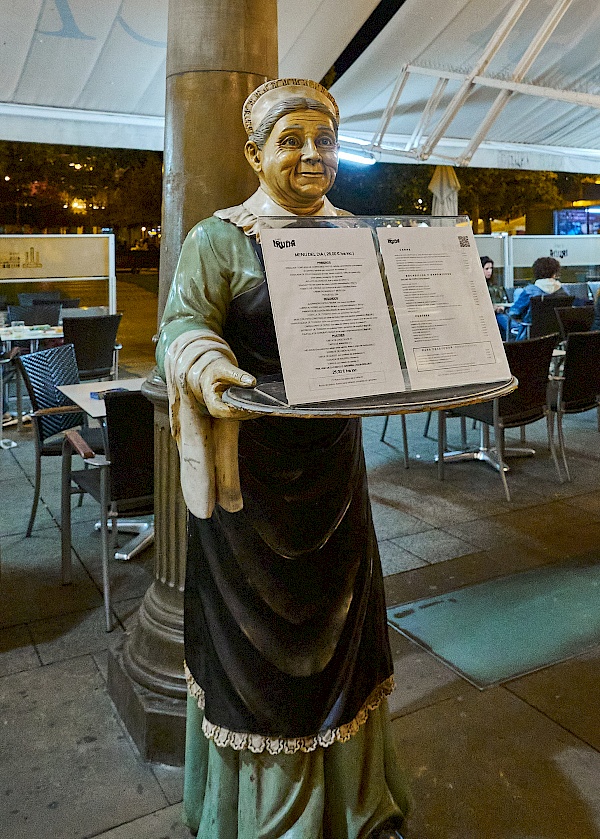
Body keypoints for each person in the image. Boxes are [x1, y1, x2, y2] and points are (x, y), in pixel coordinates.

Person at [155, 78, 410, 839]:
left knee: (345, 642)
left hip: (335, 477)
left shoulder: (361, 235)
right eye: (291, 140)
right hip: (250, 494)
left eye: (324, 141)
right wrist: (206, 366)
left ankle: (359, 806)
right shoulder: (218, 239)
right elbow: (179, 328)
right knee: (260, 663)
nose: (310, 155)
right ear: (254, 153)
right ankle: (269, 822)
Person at [508, 256, 569, 340]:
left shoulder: (529, 291)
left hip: (531, 337)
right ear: (554, 273)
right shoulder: (564, 291)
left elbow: (514, 313)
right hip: (557, 335)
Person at [481, 255, 509, 338]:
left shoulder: (495, 286)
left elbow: (504, 299)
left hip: (499, 313)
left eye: (491, 268)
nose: (490, 271)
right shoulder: (477, 287)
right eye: (487, 269)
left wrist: (501, 307)